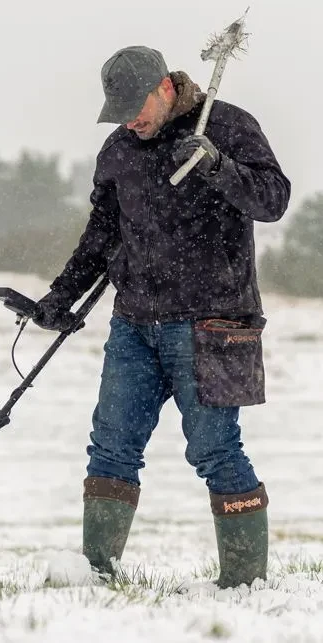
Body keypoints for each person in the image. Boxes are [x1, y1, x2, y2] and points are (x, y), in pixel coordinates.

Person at [33, 45, 290, 589]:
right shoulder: (119, 150)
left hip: (212, 323)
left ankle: (245, 583)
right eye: (120, 112)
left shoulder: (227, 126)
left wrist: (218, 166)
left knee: (215, 449)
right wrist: (61, 296)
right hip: (134, 323)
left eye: (136, 107)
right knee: (111, 445)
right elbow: (102, 235)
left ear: (165, 87)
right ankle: (96, 573)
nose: (131, 120)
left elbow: (273, 199)